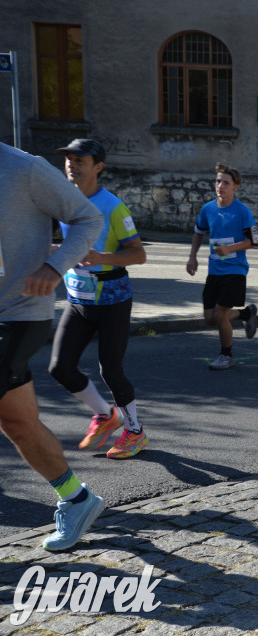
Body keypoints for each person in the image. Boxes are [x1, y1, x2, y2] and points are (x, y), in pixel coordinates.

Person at [1, 141, 105, 551]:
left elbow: (88, 217)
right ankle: (77, 499)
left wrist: (54, 267)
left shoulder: (23, 168)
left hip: (18, 311)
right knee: (18, 423)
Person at [48, 139, 149, 460]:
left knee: (111, 371)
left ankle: (135, 431)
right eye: (69, 159)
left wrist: (102, 257)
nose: (72, 164)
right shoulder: (63, 201)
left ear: (98, 167)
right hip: (78, 300)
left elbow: (139, 254)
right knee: (60, 368)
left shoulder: (113, 207)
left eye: (80, 160)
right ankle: (106, 415)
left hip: (112, 300)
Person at [186, 162, 258, 370]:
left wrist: (230, 248)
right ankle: (246, 314)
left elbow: (255, 240)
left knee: (220, 313)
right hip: (214, 271)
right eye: (218, 181)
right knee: (211, 318)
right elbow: (198, 233)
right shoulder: (207, 209)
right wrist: (192, 257)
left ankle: (226, 356)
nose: (220, 186)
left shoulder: (242, 211)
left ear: (236, 187)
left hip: (236, 270)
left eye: (226, 183)